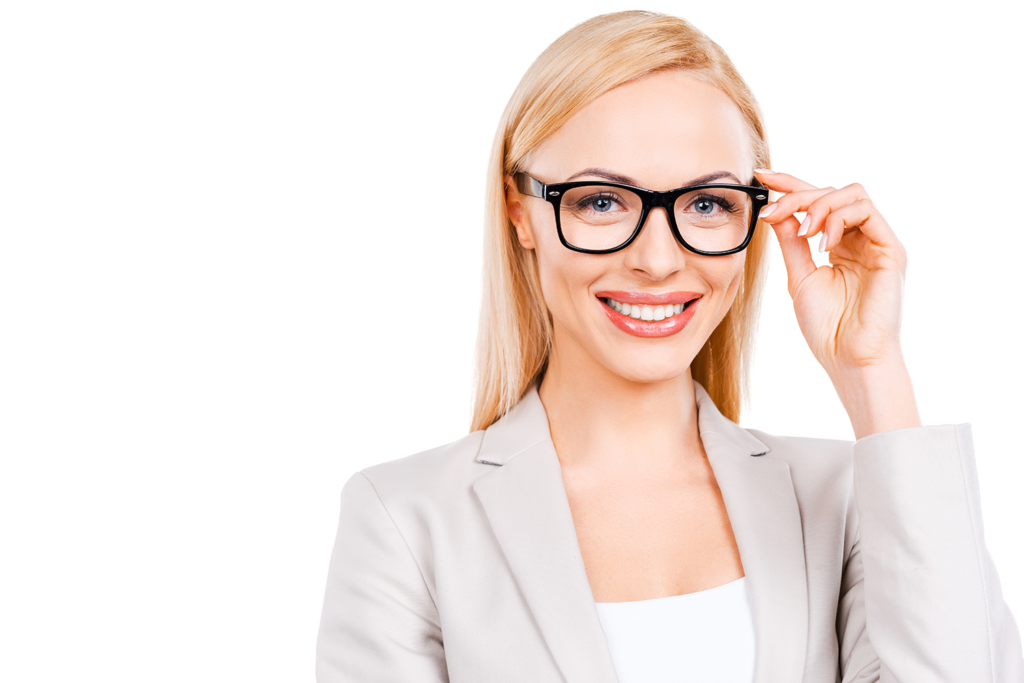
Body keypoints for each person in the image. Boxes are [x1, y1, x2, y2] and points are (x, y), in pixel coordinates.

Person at [316, 10, 1024, 682]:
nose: (657, 260)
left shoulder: (843, 500)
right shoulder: (405, 519)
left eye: (707, 204)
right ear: (520, 214)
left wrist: (873, 370)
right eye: (600, 201)